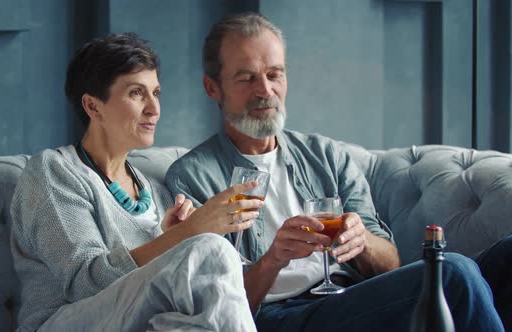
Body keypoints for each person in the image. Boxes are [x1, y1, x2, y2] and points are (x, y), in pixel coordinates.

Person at [165, 12, 510, 331]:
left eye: (274, 74)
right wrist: (273, 260)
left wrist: (362, 243)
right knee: (452, 272)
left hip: (353, 297)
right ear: (213, 88)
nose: (265, 90)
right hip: (281, 316)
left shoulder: (327, 155)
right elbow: (217, 305)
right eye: (246, 78)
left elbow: (390, 263)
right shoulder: (192, 177)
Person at [10, 33, 262, 332]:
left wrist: (171, 237)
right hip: (64, 322)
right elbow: (85, 283)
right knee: (213, 247)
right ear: (93, 107)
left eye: (155, 93)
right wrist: (188, 234)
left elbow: (149, 285)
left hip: (136, 321)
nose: (154, 108)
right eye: (136, 93)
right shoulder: (53, 172)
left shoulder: (150, 186)